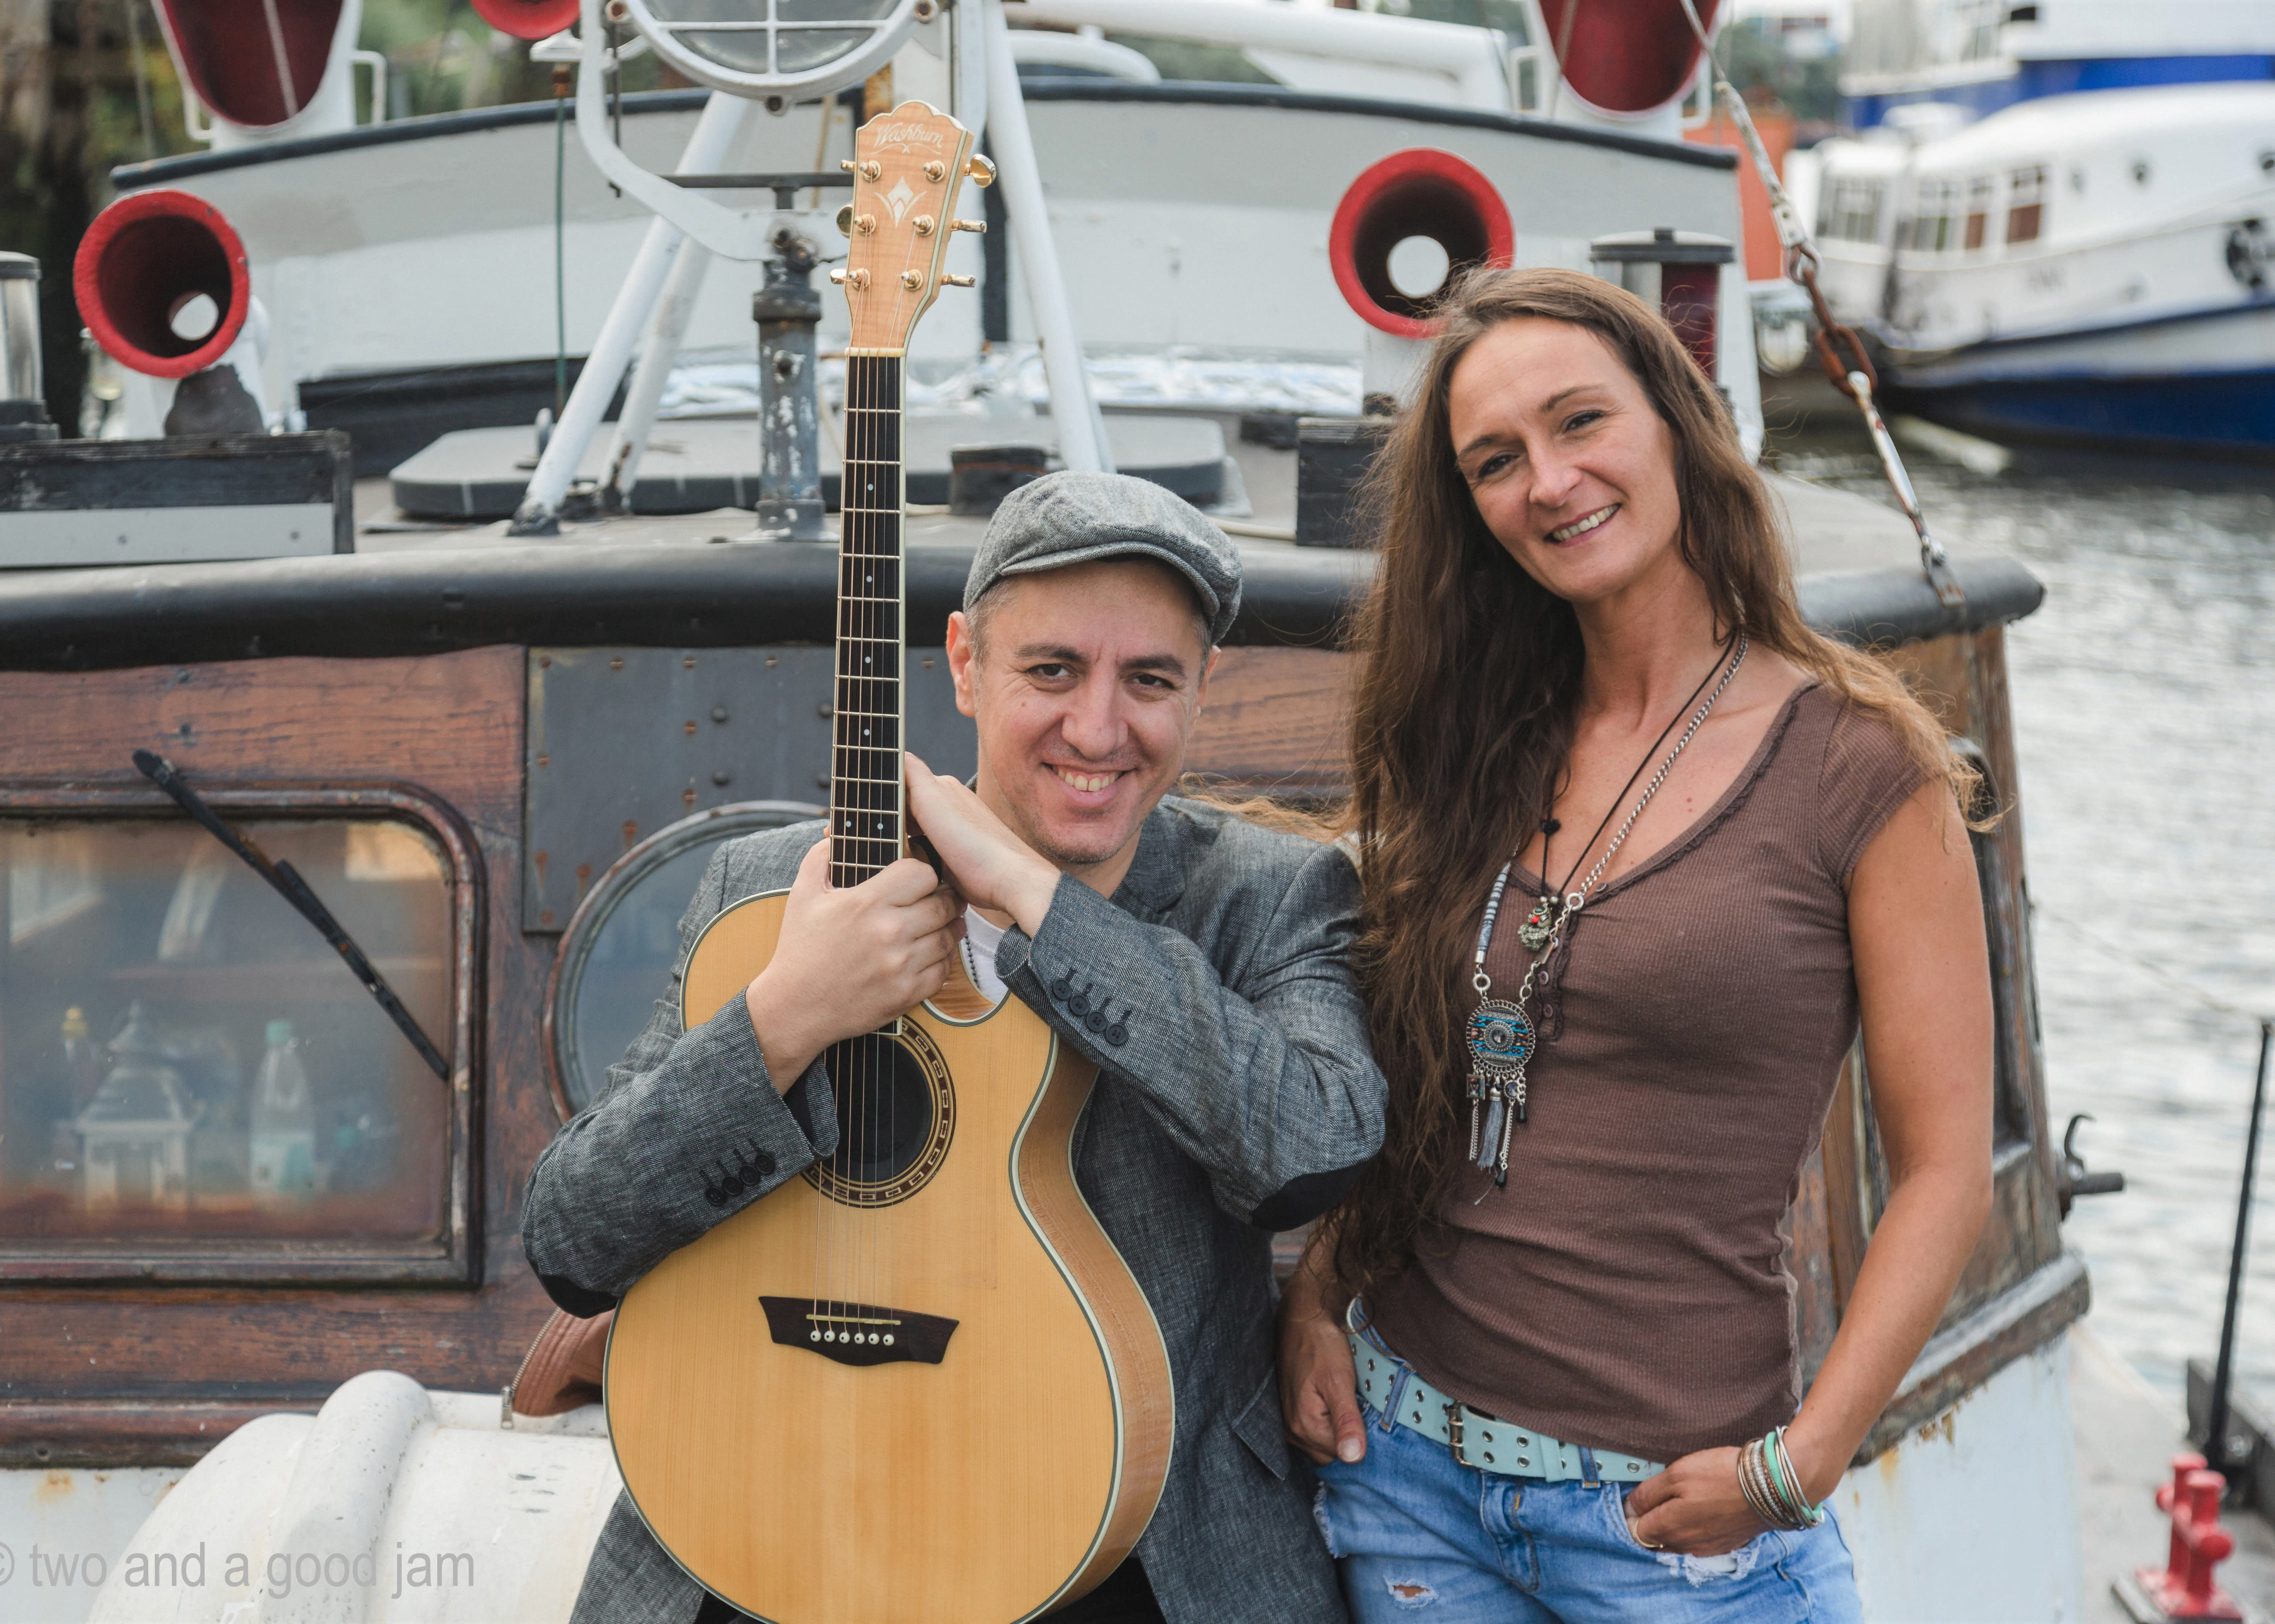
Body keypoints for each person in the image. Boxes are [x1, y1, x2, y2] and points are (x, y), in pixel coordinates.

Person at [522, 471, 1386, 1624]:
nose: (1098, 729)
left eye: (1149, 679)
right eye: (1051, 671)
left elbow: (1315, 1151)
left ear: (1203, 687)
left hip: (1132, 1536)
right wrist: (785, 1017)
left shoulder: (1268, 897)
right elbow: (570, 1239)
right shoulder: (773, 891)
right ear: (965, 663)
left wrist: (1040, 902)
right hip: (762, 1499)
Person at [1276, 267, 1995, 1622]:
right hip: (1408, 1473)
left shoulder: (1860, 767)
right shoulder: (1479, 737)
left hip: (1671, 1525)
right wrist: (1318, 1296)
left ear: (1675, 421)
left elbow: (1947, 1171)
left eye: (1579, 422)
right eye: (1495, 461)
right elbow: (1422, 1082)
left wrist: (1801, 1462)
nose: (1548, 483)